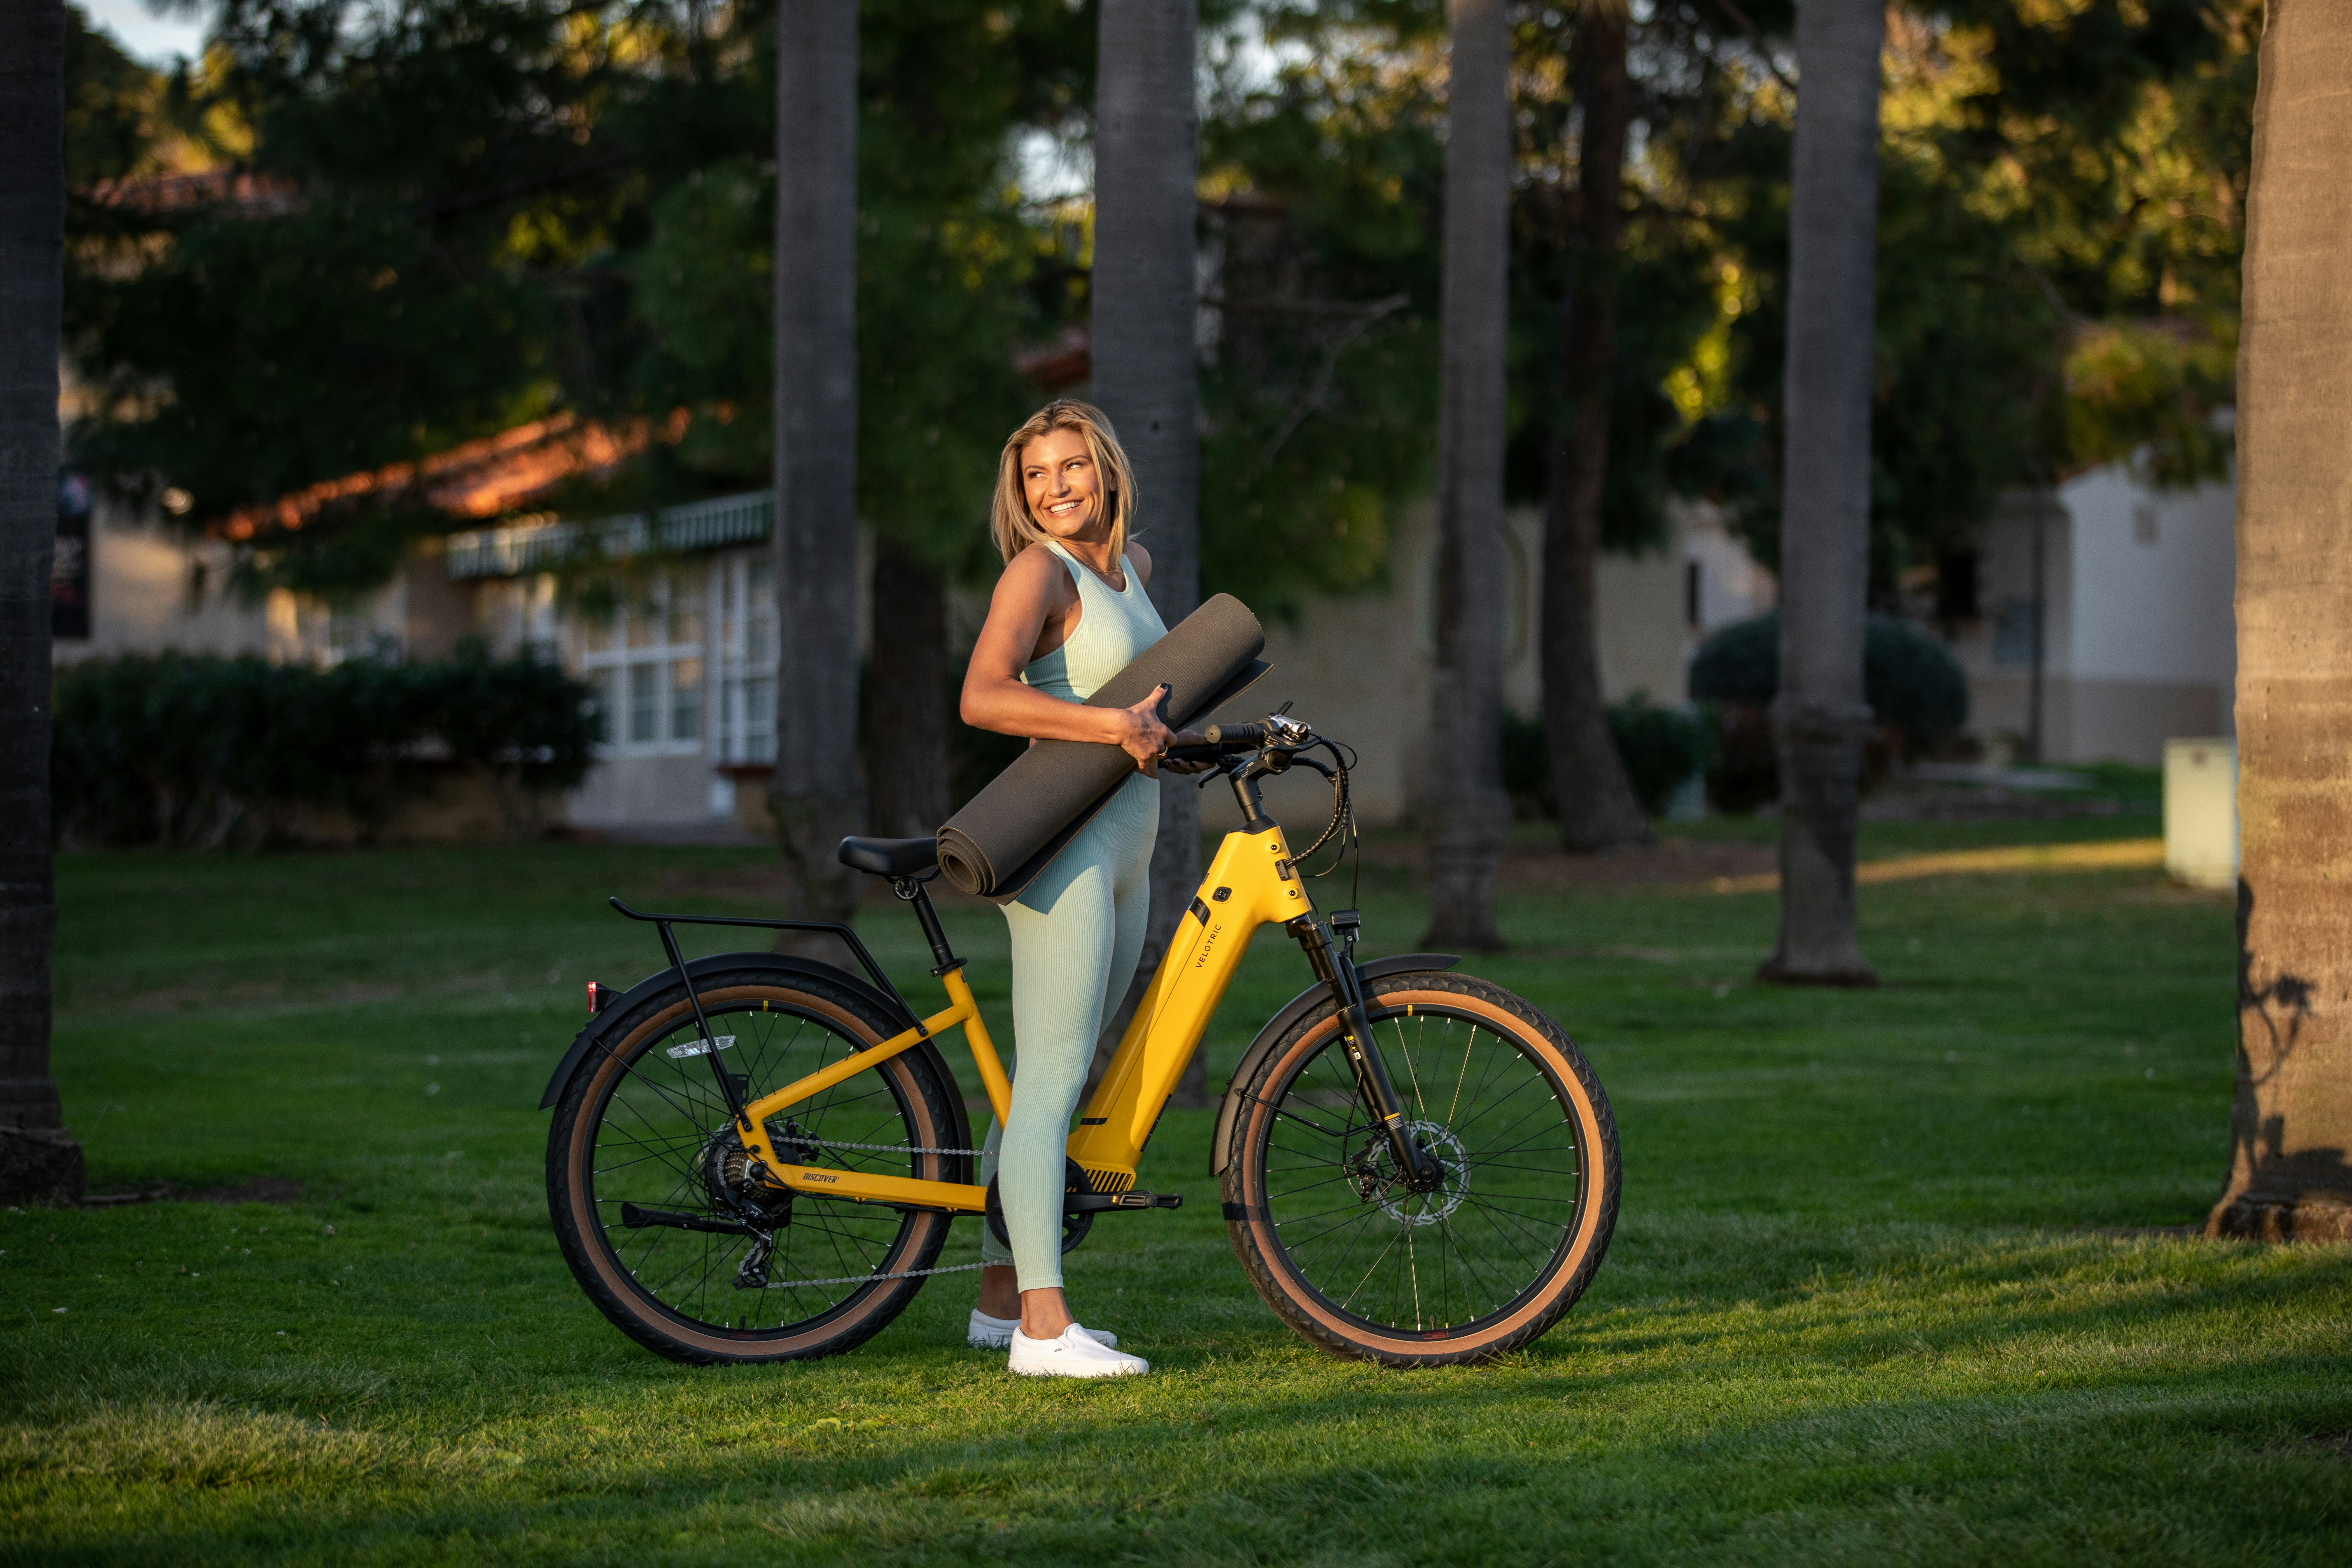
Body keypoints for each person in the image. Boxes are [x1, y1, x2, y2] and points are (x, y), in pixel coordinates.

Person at [955, 400, 1207, 1378]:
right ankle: (1043, 1328)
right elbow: (983, 694)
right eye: (1035, 475)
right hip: (1066, 842)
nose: (1055, 488)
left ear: (1106, 470)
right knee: (1054, 1081)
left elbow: (1147, 699)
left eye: (1071, 467)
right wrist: (1112, 728)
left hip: (1131, 844)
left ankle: (995, 1303)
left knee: (1042, 1078)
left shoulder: (1130, 567)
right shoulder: (1039, 570)